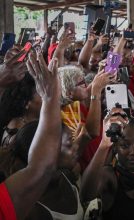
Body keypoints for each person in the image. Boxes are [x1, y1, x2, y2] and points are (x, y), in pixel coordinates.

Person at [0, 50, 62, 220]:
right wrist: (50, 97)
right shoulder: (18, 134)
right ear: (27, 103)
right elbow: (41, 170)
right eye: (38, 93)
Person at [81, 109, 134, 219]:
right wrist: (104, 145)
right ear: (115, 146)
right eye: (125, 145)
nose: (133, 151)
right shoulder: (109, 176)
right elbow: (85, 195)